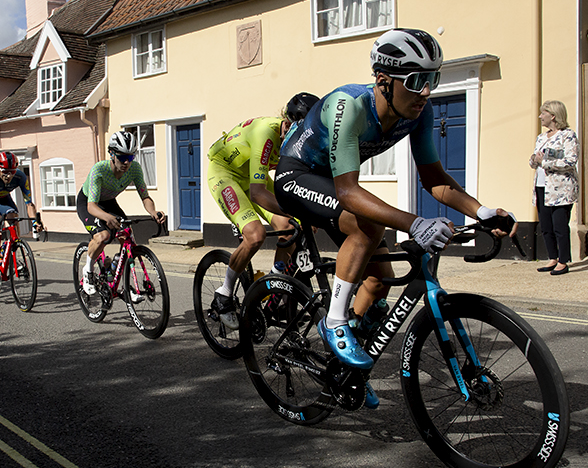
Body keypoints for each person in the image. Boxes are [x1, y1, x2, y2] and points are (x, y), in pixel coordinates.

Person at [275, 28, 516, 409]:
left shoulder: (419, 112)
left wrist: (482, 211)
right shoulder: (348, 105)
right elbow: (348, 192)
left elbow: (435, 179)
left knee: (380, 280)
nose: (426, 92)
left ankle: (347, 368)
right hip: (296, 175)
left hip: (334, 183)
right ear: (384, 81)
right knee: (369, 225)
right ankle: (334, 321)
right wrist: (415, 223)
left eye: (432, 80)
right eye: (417, 81)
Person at [207, 92, 320, 330]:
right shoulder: (266, 133)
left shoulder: (299, 140)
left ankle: (274, 288)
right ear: (287, 124)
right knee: (255, 235)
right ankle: (224, 293)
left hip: (252, 178)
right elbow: (258, 193)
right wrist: (297, 210)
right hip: (226, 174)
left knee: (289, 229)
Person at [77, 130, 165, 295]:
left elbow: (145, 196)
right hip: (89, 202)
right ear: (111, 153)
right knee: (103, 236)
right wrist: (107, 218)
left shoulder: (135, 170)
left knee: (126, 234)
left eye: (130, 157)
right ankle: (88, 270)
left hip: (108, 202)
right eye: (122, 157)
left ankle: (118, 272)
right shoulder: (100, 170)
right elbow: (92, 207)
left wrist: (153, 212)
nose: (126, 162)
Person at [530, 100, 579, 276]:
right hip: (542, 186)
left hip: (561, 189)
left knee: (559, 226)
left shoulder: (568, 135)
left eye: (543, 113)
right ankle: (552, 258)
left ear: (552, 115)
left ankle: (563, 261)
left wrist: (544, 161)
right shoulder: (541, 137)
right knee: (546, 226)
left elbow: (570, 161)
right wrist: (534, 160)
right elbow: (534, 160)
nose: (540, 116)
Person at [0, 151, 42, 287]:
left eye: (12, 172)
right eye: (5, 172)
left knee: (14, 218)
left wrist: (35, 222)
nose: (9, 176)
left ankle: (13, 249)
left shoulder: (20, 177)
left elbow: (29, 203)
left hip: (3, 198)